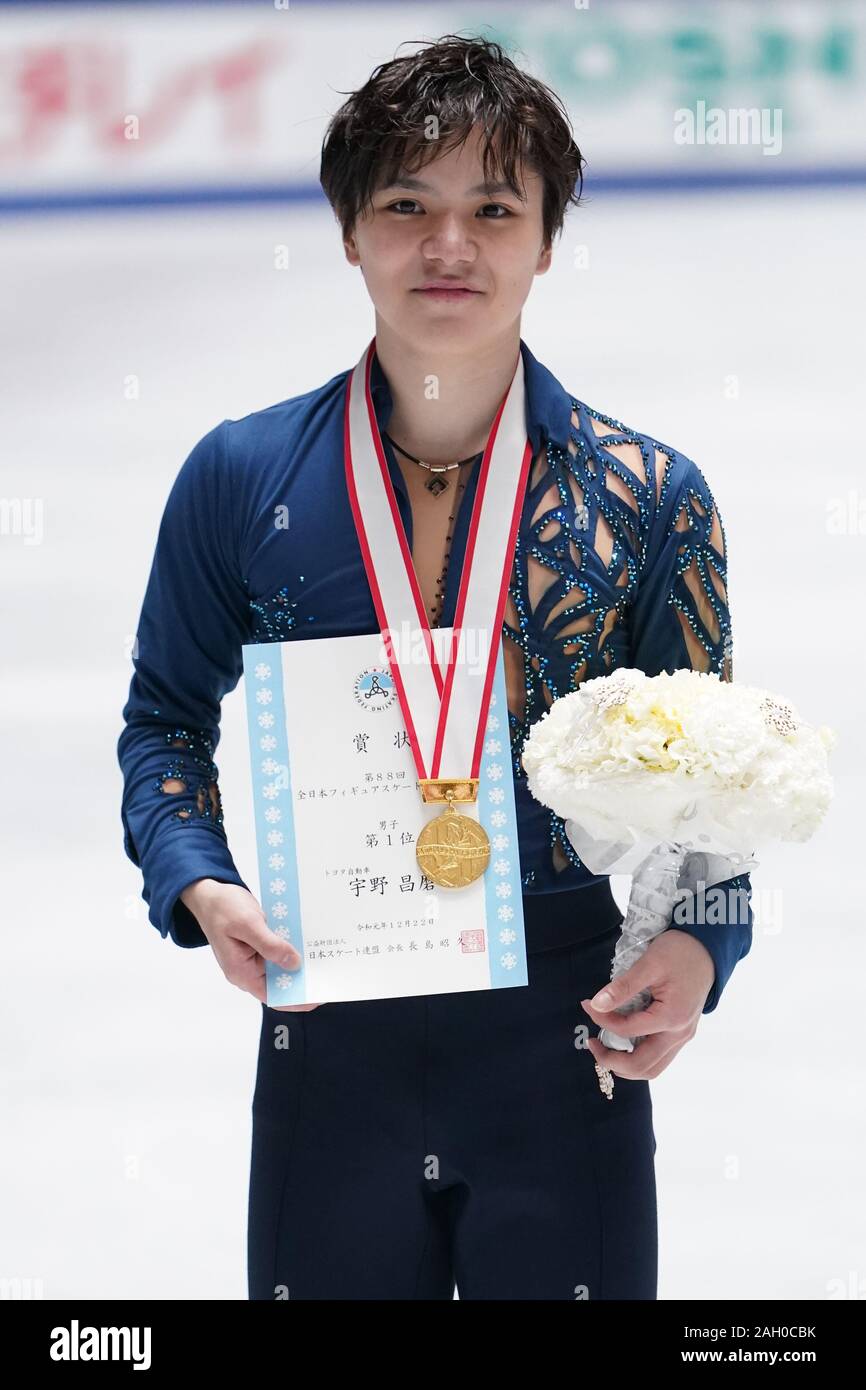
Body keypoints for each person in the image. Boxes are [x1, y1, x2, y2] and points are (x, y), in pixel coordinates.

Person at [117, 34, 753, 1300]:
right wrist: (203, 884)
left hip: (564, 1036)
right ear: (349, 231)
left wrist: (698, 945)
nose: (446, 245)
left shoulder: (646, 498)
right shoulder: (240, 478)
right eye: (405, 204)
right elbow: (164, 724)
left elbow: (711, 789)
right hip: (328, 1029)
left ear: (544, 240)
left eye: (491, 209)